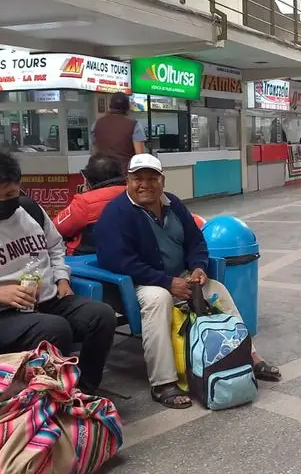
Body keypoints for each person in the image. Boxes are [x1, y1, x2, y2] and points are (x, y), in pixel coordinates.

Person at [94, 154, 280, 408]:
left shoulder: (174, 205)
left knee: (217, 290)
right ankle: (163, 383)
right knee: (158, 300)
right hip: (141, 282)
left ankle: (249, 356)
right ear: (128, 180)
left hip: (179, 276)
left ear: (162, 181)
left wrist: (198, 268)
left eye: (151, 178)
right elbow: (117, 260)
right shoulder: (116, 213)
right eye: (137, 178)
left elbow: (196, 242)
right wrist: (165, 282)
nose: (144, 184)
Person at [0, 150, 117, 393]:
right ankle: (47, 398)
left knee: (101, 315)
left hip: (47, 298)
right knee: (55, 328)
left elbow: (55, 245)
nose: (3, 202)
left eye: (10, 194)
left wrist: (61, 276)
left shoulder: (30, 211)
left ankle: (84, 388)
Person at [53, 154, 127, 255]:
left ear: (89, 180)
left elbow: (56, 228)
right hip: (126, 255)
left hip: (85, 260)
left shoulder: (84, 202)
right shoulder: (133, 194)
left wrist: (84, 194)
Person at [91, 92, 146, 165]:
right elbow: (140, 157)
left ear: (110, 106)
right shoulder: (135, 125)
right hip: (125, 173)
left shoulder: (96, 124)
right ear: (127, 107)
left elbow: (94, 152)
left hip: (102, 172)